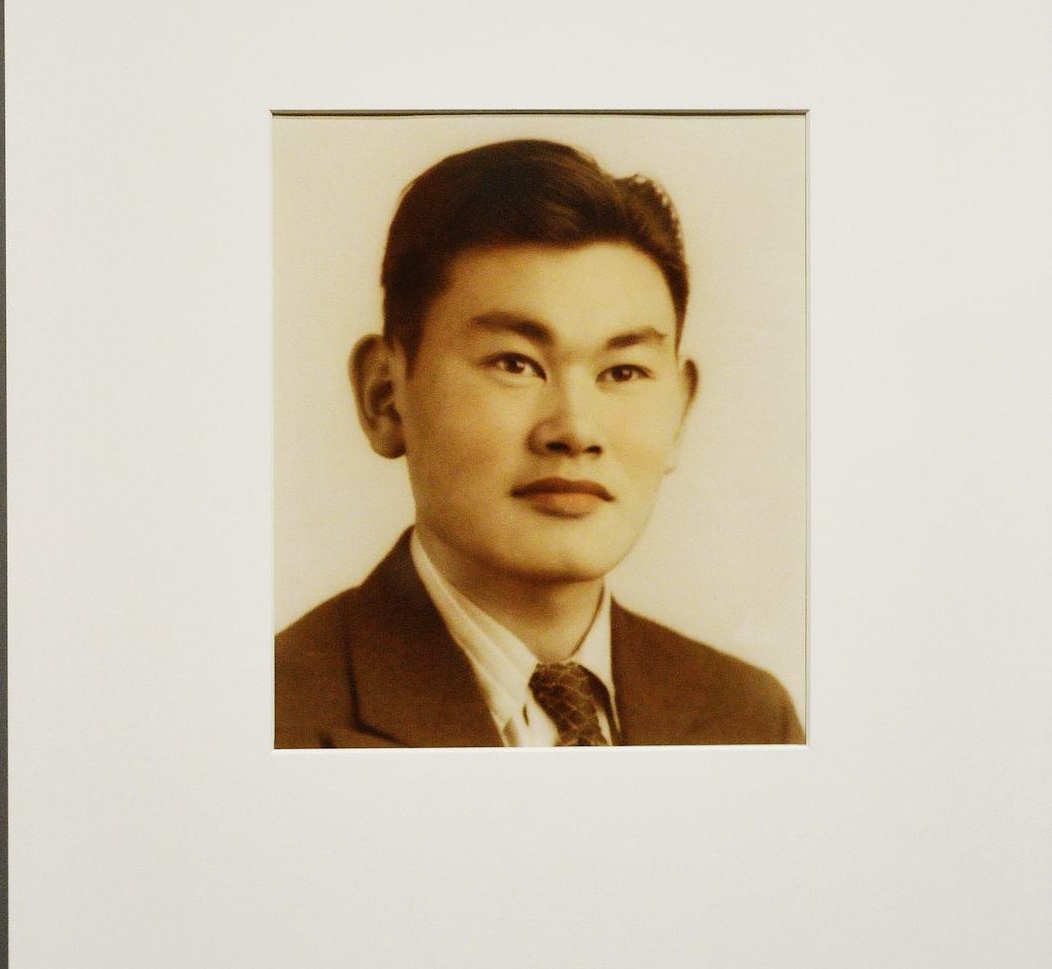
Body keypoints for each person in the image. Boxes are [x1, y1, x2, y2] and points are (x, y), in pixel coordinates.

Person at [275, 139, 803, 749]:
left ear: (680, 412)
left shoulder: (751, 718)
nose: (575, 431)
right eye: (515, 363)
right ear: (385, 397)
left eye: (623, 372)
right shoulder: (274, 716)